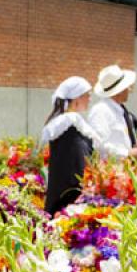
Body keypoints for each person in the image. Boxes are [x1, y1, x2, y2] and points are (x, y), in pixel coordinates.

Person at [42, 76, 99, 215]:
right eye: (87, 95)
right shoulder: (68, 124)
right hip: (68, 198)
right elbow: (76, 164)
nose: (90, 99)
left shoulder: (69, 123)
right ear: (77, 98)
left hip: (64, 194)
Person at [88, 64, 137, 158]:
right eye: (127, 87)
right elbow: (98, 144)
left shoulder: (120, 111)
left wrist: (135, 150)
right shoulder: (101, 111)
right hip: (111, 170)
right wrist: (128, 153)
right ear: (120, 91)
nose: (129, 90)